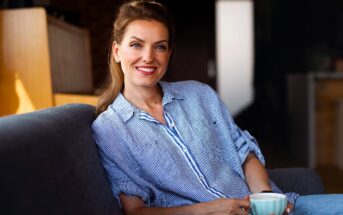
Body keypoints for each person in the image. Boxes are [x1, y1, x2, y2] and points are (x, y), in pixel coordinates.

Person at [91, 1, 343, 215]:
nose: (148, 57)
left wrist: (266, 200)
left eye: (160, 46)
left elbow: (244, 153)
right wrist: (212, 209)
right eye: (136, 45)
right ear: (116, 51)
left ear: (169, 53)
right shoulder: (110, 128)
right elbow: (136, 211)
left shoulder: (200, 94)